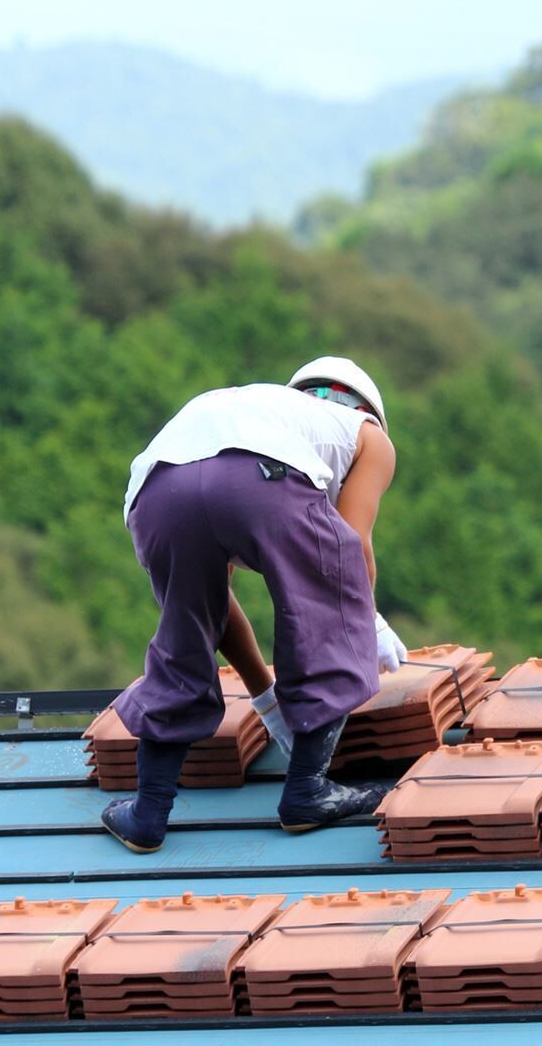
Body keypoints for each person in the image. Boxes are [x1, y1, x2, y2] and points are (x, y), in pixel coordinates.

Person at [102, 356, 409, 853]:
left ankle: (148, 813)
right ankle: (307, 790)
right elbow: (351, 547)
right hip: (262, 478)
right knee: (327, 614)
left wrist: (267, 700)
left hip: (158, 493)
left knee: (186, 631)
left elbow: (215, 610)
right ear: (365, 409)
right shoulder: (369, 434)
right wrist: (366, 620)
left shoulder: (260, 408)